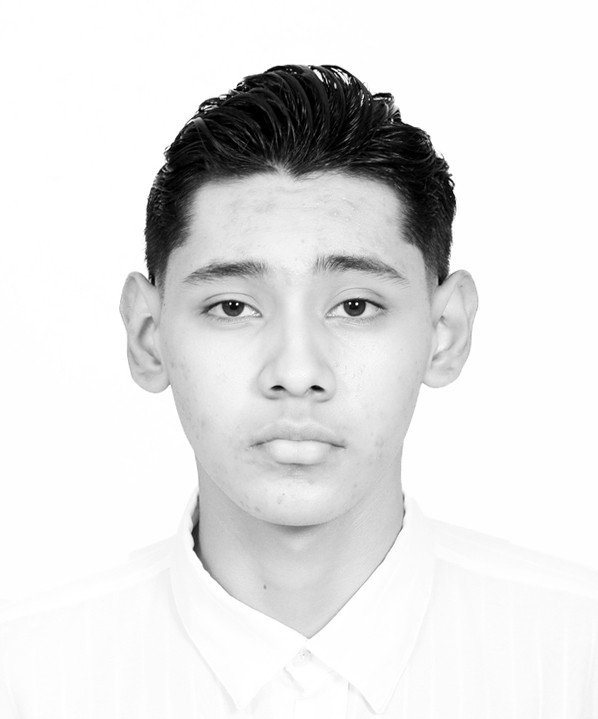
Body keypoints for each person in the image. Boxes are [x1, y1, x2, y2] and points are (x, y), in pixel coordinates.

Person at [1, 64, 596, 718]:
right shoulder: (24, 681)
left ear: (445, 332)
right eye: (232, 306)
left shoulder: (577, 662)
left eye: (356, 305)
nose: (295, 370)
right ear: (148, 335)